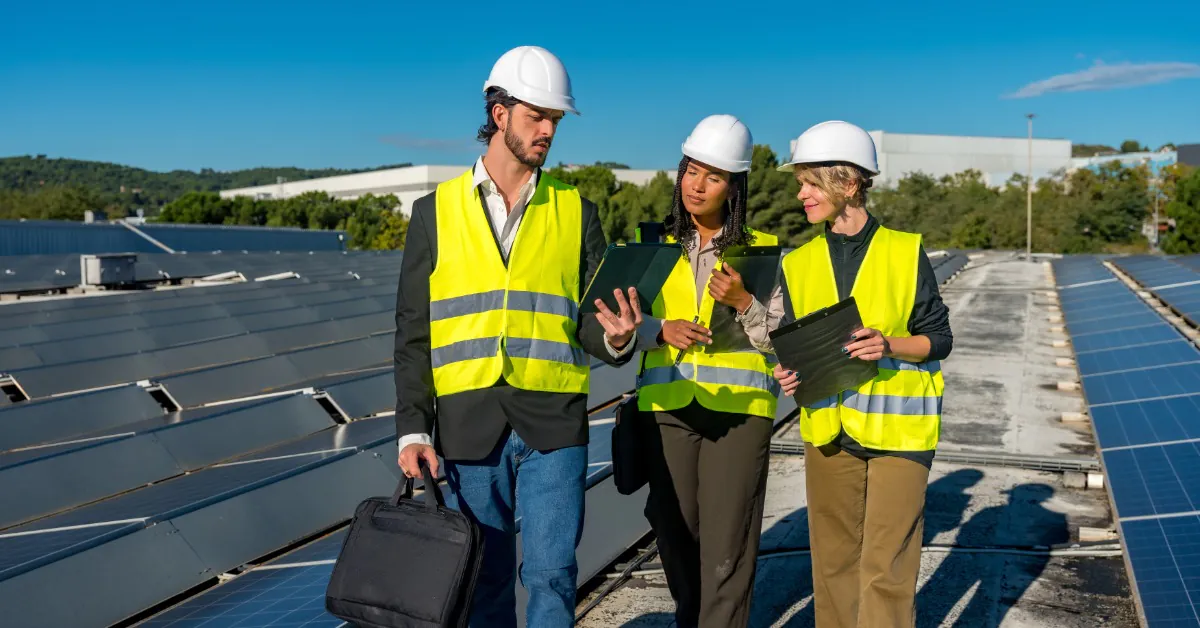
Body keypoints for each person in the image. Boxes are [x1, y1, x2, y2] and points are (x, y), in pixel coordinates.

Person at [393, 45, 641, 628]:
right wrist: (411, 429)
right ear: (499, 114)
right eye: (537, 116)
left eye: (555, 119)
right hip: (466, 424)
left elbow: (591, 321)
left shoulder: (577, 211)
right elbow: (413, 332)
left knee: (553, 576)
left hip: (553, 422)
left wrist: (620, 339)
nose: (549, 130)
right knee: (483, 578)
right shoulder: (434, 212)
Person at [770, 120, 953, 628]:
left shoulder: (903, 250)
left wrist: (889, 344)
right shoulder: (799, 261)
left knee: (886, 567)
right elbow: (789, 342)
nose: (802, 195)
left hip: (899, 431)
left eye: (810, 183)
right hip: (829, 429)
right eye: (801, 185)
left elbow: (939, 338)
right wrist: (787, 373)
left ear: (848, 183)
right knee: (832, 564)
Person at [633, 114, 784, 628]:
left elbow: (781, 342)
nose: (697, 185)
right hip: (668, 408)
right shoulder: (650, 244)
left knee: (727, 544)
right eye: (691, 171)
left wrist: (745, 303)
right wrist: (659, 329)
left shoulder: (761, 251)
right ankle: (689, 618)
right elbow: (618, 320)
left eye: (714, 176)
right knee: (675, 534)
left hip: (738, 417)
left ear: (733, 186)